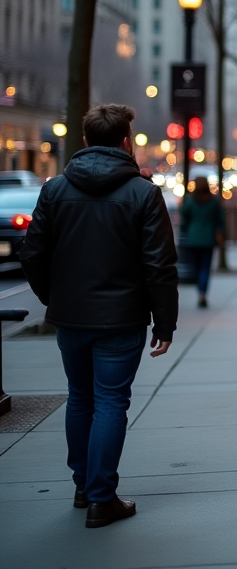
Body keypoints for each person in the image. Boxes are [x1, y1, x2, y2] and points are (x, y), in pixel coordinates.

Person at [19, 104, 177, 529]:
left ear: (85, 142)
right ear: (127, 142)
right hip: (121, 319)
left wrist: (55, 297)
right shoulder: (144, 193)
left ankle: (85, 487)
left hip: (71, 318)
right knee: (110, 401)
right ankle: (102, 498)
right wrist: (165, 324)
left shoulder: (54, 190)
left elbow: (32, 253)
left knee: (81, 398)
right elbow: (159, 266)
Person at [178, 175, 225, 308]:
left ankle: (200, 290)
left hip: (193, 237)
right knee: (205, 267)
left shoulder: (190, 200)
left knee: (196, 267)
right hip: (208, 238)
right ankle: (202, 293)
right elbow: (221, 219)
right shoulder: (213, 201)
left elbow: (183, 213)